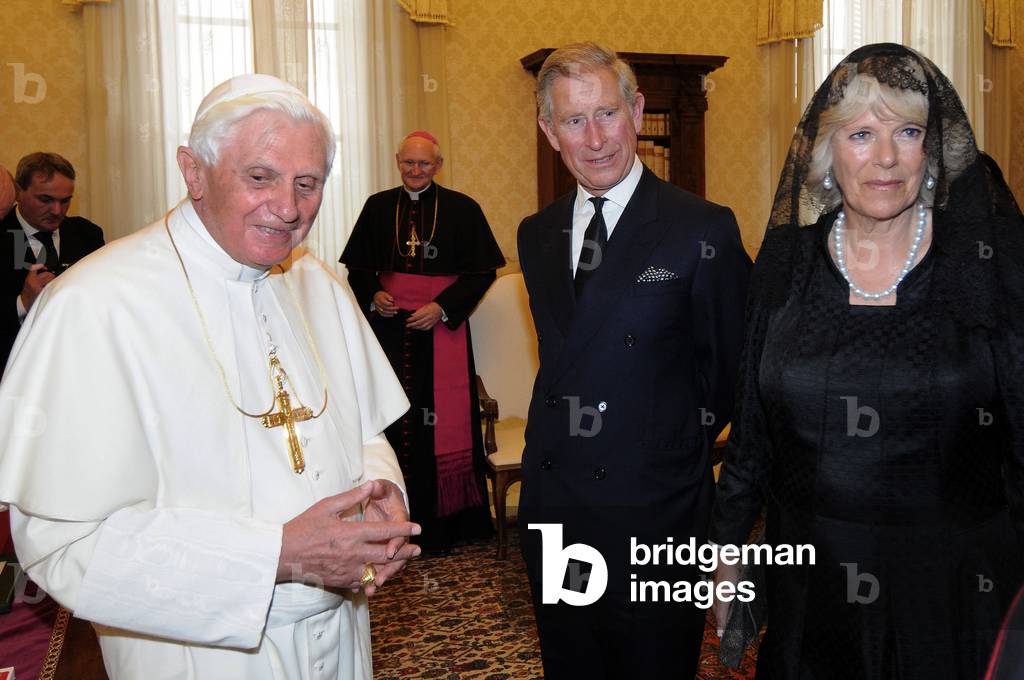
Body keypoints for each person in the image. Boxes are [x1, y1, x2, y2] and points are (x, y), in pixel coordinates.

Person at [0, 75, 422, 680]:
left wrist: (382, 498)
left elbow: (364, 433)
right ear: (193, 170)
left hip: (342, 634)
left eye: (308, 184)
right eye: (260, 177)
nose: (289, 206)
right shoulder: (93, 304)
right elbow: (64, 545)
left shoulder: (319, 284)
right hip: (200, 653)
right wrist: (274, 557)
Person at [711, 43, 1024, 679]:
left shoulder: (985, 268)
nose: (885, 158)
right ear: (828, 154)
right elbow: (752, 431)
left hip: (952, 587)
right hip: (810, 579)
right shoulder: (785, 269)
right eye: (861, 134)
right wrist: (724, 551)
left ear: (931, 152)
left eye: (907, 132)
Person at [516, 42, 751, 678]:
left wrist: (663, 447)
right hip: (558, 504)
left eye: (607, 114)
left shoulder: (701, 228)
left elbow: (730, 372)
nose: (594, 139)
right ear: (548, 130)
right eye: (572, 120)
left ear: (637, 111)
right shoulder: (535, 234)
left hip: (655, 510)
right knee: (572, 663)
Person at [340, 131, 505, 553]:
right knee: (391, 418)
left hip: (440, 330)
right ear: (398, 161)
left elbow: (482, 272)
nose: (415, 171)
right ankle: (387, 521)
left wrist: (443, 307)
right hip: (391, 331)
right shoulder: (378, 207)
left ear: (438, 165)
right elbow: (358, 268)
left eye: (424, 164)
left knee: (440, 427)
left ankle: (445, 526)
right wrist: (374, 294)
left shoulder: (462, 209)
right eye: (408, 163)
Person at [0, 153, 104, 368]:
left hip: (78, 362)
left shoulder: (87, 234)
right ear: (19, 192)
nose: (57, 211)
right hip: (15, 368)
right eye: (45, 200)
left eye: (65, 201)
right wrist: (22, 304)